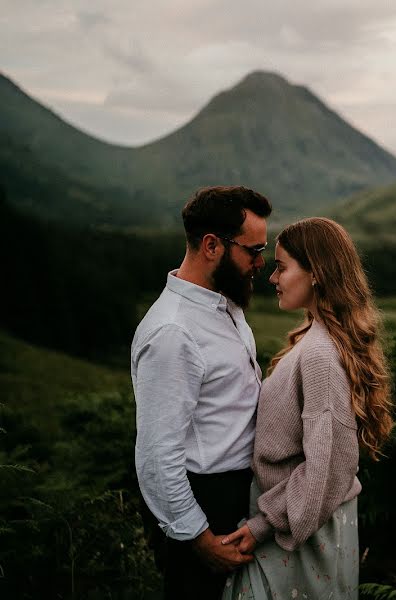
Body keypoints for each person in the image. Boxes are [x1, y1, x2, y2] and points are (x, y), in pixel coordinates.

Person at [219, 217, 394, 600]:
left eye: (282, 267)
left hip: (298, 533)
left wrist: (263, 525)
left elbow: (330, 463)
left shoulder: (318, 355)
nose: (272, 277)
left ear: (316, 273)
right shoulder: (320, 340)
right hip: (305, 522)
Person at [131, 185, 272, 599]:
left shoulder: (223, 303)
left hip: (237, 494)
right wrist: (198, 536)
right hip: (205, 502)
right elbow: (158, 454)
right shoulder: (174, 332)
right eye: (253, 250)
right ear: (212, 245)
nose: (260, 263)